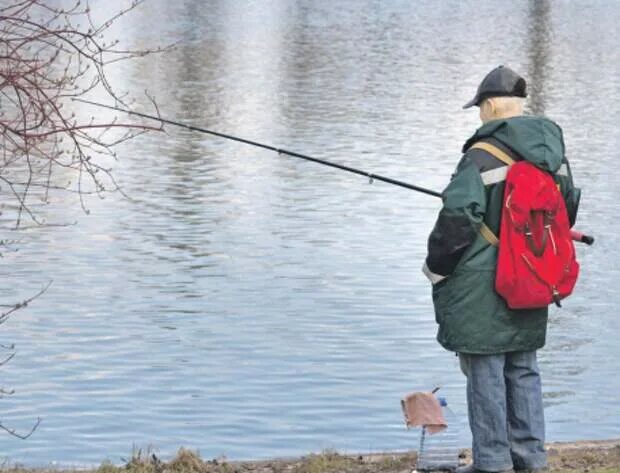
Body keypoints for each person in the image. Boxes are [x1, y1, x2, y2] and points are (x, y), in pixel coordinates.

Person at [423, 65, 581, 473]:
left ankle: (492, 464)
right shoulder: (555, 156)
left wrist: (435, 268)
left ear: (490, 105)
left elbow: (458, 218)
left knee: (486, 374)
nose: (479, 115)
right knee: (524, 369)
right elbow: (566, 211)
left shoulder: (480, 155)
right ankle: (531, 460)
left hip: (483, 285)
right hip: (533, 276)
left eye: (479, 108)